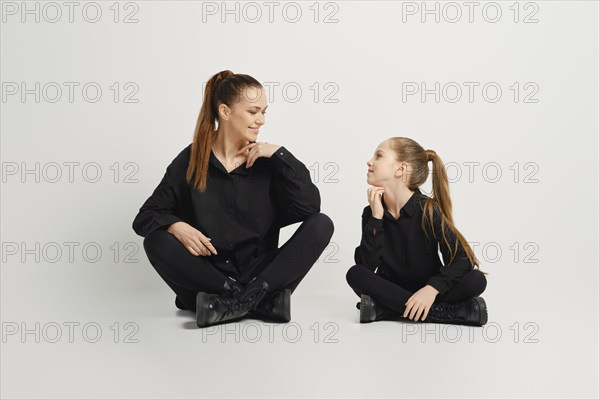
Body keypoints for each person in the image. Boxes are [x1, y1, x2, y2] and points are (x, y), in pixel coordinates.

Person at [132, 70, 334, 328]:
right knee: (156, 240)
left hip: (262, 275)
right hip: (206, 279)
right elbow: (145, 217)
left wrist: (281, 154)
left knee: (322, 224)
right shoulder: (191, 159)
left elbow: (309, 208)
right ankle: (259, 303)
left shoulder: (270, 164)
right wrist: (175, 226)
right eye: (253, 111)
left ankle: (234, 303)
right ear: (225, 112)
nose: (261, 120)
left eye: (264, 112)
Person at [346, 137, 488, 326]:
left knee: (476, 280)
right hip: (391, 289)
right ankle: (443, 313)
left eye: (378, 156)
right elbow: (365, 266)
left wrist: (431, 289)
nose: (370, 161)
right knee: (355, 273)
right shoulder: (371, 212)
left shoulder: (427, 209)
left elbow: (463, 259)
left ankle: (386, 309)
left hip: (429, 290)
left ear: (401, 169)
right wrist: (376, 219)